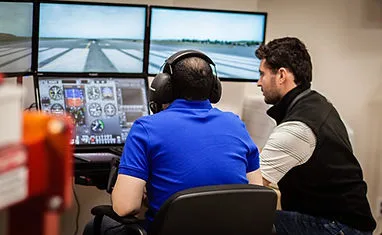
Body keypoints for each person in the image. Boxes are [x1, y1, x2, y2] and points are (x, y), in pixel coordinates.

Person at [83, 50, 263, 235]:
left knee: (96, 226)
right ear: (214, 88)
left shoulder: (146, 128)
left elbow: (125, 207)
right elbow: (257, 195)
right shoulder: (236, 125)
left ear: (164, 87)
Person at [255, 37, 376, 234]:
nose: (259, 82)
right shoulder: (317, 103)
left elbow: (251, 187)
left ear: (281, 75)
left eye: (262, 74)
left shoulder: (297, 127)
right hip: (351, 220)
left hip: (339, 227)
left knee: (252, 219)